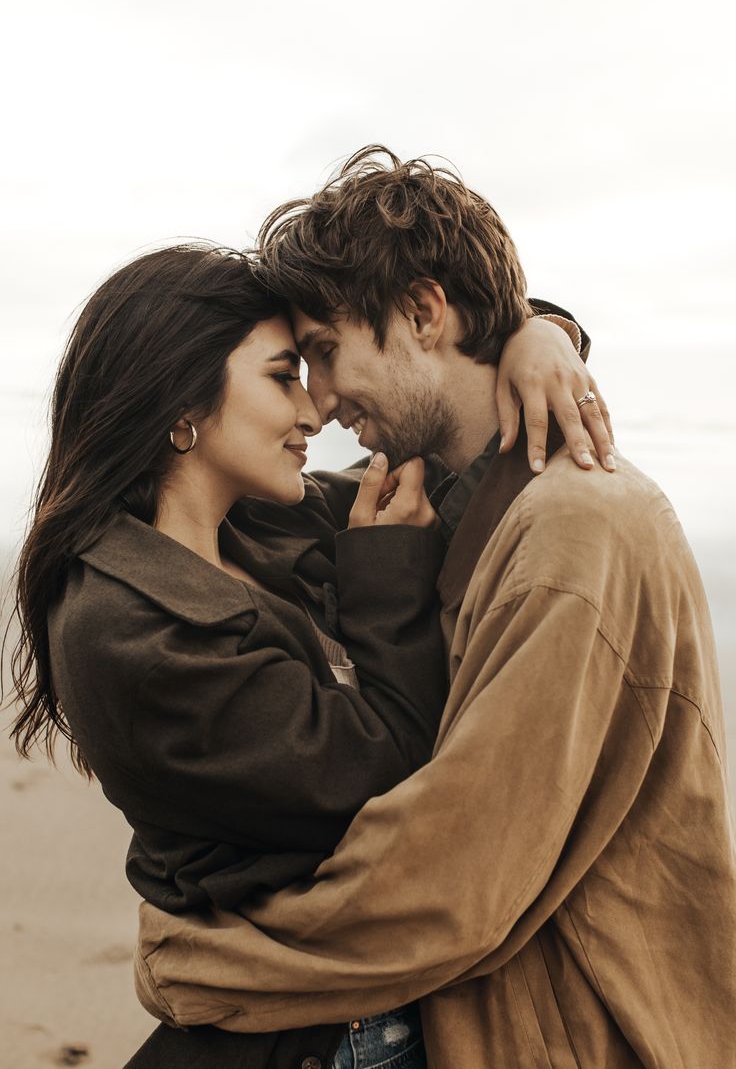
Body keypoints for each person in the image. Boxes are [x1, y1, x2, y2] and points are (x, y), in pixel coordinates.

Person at [134, 148, 736, 1069]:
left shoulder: (579, 530)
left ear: (422, 313)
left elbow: (455, 878)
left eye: (327, 354)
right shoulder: (441, 495)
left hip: (579, 1025)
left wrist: (209, 960)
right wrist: (545, 327)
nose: (321, 403)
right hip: (490, 1009)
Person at [7, 240, 604, 1069]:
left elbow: (448, 442)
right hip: (321, 1037)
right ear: (180, 406)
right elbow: (385, 776)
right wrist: (385, 578)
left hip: (370, 1002)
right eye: (284, 376)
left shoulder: (257, 525)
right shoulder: (127, 632)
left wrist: (541, 333)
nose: (313, 411)